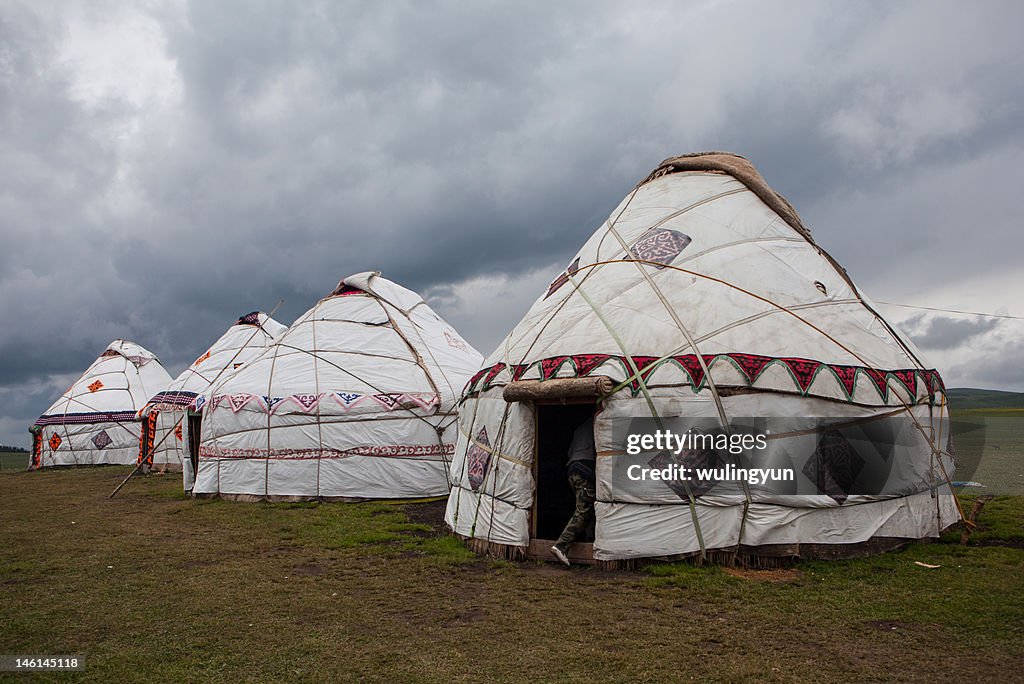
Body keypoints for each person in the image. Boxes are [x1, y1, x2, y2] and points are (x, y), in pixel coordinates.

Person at [551, 415, 596, 567]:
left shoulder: (579, 428)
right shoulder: (600, 422)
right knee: (583, 511)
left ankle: (591, 543)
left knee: (588, 509)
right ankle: (561, 546)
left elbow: (570, 452)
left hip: (572, 470)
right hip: (585, 472)